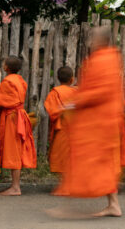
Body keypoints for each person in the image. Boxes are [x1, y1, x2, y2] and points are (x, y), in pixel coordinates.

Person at [48, 26, 125, 218]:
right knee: (100, 164)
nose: (89, 43)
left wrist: (74, 103)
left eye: (92, 39)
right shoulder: (106, 59)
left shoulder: (104, 60)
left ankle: (68, 207)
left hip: (97, 122)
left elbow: (101, 91)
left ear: (100, 41)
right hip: (97, 120)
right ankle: (113, 205)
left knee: (84, 163)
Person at [0, 56, 36, 196]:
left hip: (12, 118)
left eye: (4, 63)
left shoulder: (7, 81)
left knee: (13, 151)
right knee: (17, 149)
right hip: (19, 115)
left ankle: (15, 187)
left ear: (6, 67)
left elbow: (2, 101)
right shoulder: (20, 80)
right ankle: (15, 186)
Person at [43, 66, 77, 196]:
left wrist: (62, 109)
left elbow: (52, 111)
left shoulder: (55, 93)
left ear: (57, 78)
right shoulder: (76, 92)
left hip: (62, 127)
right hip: (75, 128)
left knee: (62, 155)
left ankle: (66, 186)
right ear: (72, 79)